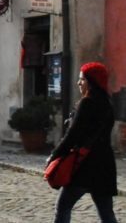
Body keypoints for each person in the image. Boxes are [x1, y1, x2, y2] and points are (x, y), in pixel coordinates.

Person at [49, 62, 118, 223]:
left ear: (91, 82)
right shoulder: (107, 104)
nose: (79, 83)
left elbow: (72, 135)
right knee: (107, 213)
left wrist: (54, 155)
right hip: (104, 165)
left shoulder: (87, 103)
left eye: (82, 79)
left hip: (84, 165)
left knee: (63, 207)